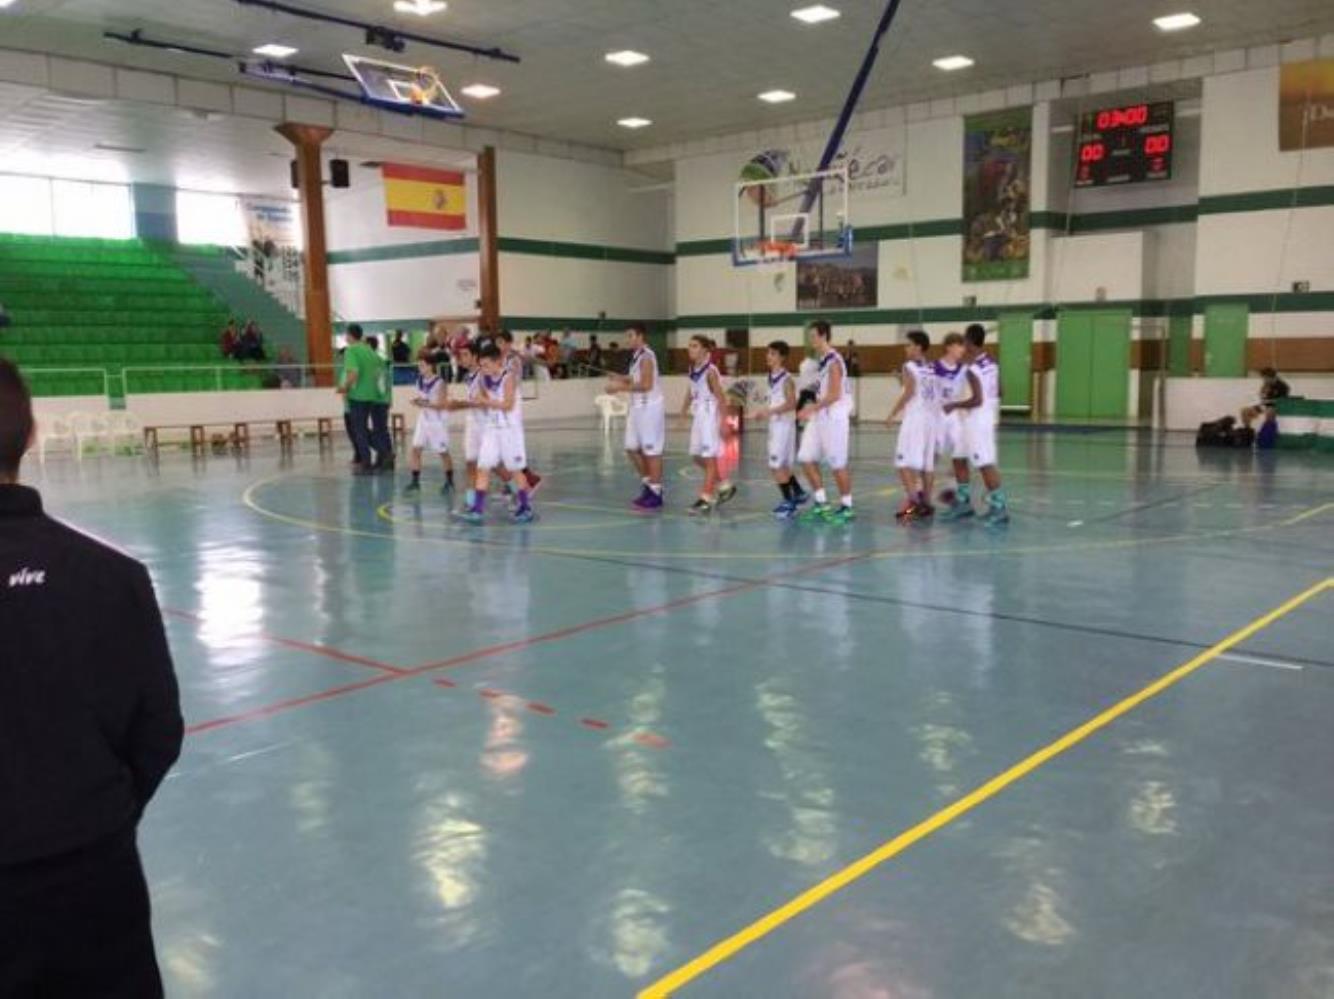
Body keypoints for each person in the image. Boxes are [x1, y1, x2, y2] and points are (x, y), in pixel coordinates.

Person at [0, 359, 183, 998]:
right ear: (30, 435)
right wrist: (98, 813)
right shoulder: (111, 575)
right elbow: (158, 728)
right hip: (95, 872)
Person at [456, 342, 536, 524]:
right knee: (483, 467)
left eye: (486, 365)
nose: (482, 369)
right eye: (481, 365)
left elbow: (507, 405)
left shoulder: (509, 378)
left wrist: (484, 401)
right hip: (492, 429)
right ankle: (477, 509)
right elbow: (485, 401)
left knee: (516, 471)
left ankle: (526, 506)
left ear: (497, 361)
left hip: (510, 431)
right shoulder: (483, 379)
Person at [947, 323, 1007, 524]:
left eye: (965, 340)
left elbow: (977, 400)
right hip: (977, 419)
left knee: (984, 464)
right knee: (958, 457)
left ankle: (999, 508)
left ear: (970, 342)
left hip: (976, 420)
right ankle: (963, 503)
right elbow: (1000, 391)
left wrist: (953, 405)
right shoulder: (992, 362)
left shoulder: (972, 369)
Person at [797, 320, 855, 524]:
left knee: (837, 464)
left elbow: (834, 394)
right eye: (809, 336)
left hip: (834, 417)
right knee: (805, 457)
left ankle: (847, 506)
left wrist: (810, 408)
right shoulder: (821, 361)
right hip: (821, 416)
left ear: (824, 336)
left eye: (814, 335)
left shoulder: (833, 360)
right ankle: (821, 503)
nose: (811, 339)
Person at [607, 322, 666, 509]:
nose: (628, 339)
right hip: (636, 408)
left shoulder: (647, 356)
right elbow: (635, 379)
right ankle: (649, 484)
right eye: (627, 336)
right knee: (631, 448)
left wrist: (619, 388)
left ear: (641, 337)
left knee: (651, 451)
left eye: (631, 335)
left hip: (650, 408)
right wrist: (620, 378)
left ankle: (656, 492)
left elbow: (647, 385)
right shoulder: (636, 357)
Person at [681, 335, 737, 516]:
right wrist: (682, 412)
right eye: (689, 346)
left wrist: (724, 422)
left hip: (710, 415)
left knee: (710, 458)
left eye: (695, 346)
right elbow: (690, 390)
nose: (691, 349)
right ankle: (724, 485)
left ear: (705, 350)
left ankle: (705, 499)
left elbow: (721, 398)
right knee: (696, 456)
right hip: (698, 415)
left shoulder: (711, 371)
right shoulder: (692, 369)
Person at [888, 330, 940, 520]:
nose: (905, 348)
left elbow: (909, 392)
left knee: (902, 462)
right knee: (927, 466)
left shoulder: (908, 365)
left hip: (915, 420)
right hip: (930, 420)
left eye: (909, 344)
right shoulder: (932, 367)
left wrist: (892, 413)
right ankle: (926, 503)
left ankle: (914, 502)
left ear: (918, 346)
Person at [755, 339, 810, 519]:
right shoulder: (771, 376)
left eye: (773, 354)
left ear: (782, 357)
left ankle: (789, 503)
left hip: (783, 426)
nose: (768, 356)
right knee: (783, 465)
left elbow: (792, 403)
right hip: (777, 424)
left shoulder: (786, 379)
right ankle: (799, 492)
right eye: (768, 353)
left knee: (775, 465)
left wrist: (768, 411)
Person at [935, 332, 982, 520]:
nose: (963, 349)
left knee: (959, 458)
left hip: (954, 417)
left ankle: (956, 496)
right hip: (936, 417)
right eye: (959, 345)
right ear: (949, 346)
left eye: (964, 346)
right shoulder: (934, 368)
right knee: (929, 458)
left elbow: (978, 393)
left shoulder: (965, 369)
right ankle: (919, 500)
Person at [338, 325, 392, 474]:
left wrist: (344, 388)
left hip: (358, 396)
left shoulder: (351, 350)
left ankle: (367, 461)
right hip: (372, 396)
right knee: (370, 429)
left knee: (359, 431)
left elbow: (353, 373)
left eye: (346, 335)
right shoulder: (370, 351)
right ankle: (384, 452)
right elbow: (378, 375)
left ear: (349, 335)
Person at [405, 348, 457, 496]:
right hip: (424, 419)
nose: (419, 367)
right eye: (418, 365)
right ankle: (415, 482)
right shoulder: (419, 380)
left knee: (442, 452)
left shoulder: (440, 382)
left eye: (422, 365)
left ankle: (449, 481)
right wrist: (419, 401)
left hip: (437, 421)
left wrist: (423, 404)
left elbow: (440, 404)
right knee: (416, 448)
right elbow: (425, 399)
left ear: (430, 366)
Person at [496, 331, 542, 494]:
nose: (498, 345)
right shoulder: (498, 360)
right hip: (501, 405)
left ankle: (528, 480)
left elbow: (511, 382)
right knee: (503, 446)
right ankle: (514, 480)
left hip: (512, 404)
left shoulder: (513, 360)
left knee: (513, 445)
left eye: (501, 342)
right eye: (497, 342)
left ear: (509, 343)